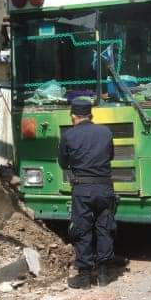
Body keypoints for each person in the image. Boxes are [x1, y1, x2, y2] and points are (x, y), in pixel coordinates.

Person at [60, 97, 118, 289]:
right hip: (104, 188)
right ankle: (103, 275)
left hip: (82, 189)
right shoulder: (105, 132)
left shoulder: (69, 135)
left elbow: (63, 163)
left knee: (82, 230)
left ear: (73, 116)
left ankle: (84, 278)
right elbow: (110, 156)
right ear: (91, 115)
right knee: (104, 228)